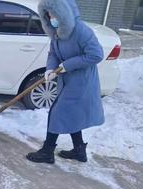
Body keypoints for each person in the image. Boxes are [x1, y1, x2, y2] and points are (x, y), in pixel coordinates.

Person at [27, 0, 104, 164]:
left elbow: (96, 55)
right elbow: (53, 53)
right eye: (47, 14)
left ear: (64, 13)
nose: (51, 17)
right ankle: (79, 150)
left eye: (54, 14)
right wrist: (50, 68)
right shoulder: (56, 31)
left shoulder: (81, 31)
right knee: (71, 114)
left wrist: (67, 65)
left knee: (57, 112)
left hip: (81, 82)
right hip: (67, 80)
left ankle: (47, 151)